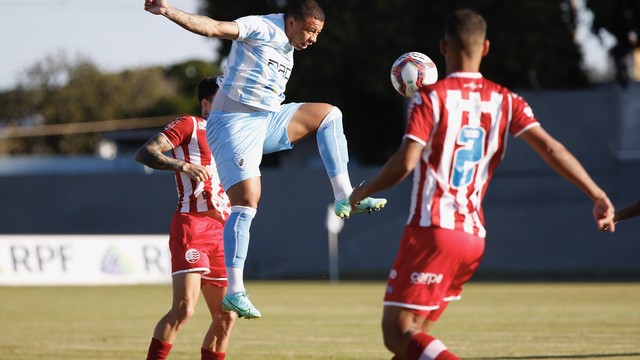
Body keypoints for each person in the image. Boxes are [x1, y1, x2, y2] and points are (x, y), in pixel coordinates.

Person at [349, 9, 617, 360]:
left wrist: (362, 192)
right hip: (473, 238)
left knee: (397, 333)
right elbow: (553, 148)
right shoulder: (507, 100)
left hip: (433, 229)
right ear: (486, 47)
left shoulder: (430, 97)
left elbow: (405, 163)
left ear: (442, 47)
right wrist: (596, 193)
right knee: (414, 339)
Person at [144, 0, 387, 319]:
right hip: (232, 123)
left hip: (266, 120)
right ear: (292, 22)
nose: (313, 39)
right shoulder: (262, 27)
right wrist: (167, 10)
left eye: (318, 33)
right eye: (310, 30)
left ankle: (345, 196)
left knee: (329, 115)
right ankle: (234, 291)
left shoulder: (289, 45)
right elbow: (215, 27)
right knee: (248, 198)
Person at [135, 77, 236, 360]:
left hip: (222, 230)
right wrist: (182, 165)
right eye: (223, 97)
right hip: (192, 224)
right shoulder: (190, 124)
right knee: (184, 309)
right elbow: (145, 152)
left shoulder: (231, 132)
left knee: (226, 316)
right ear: (206, 103)